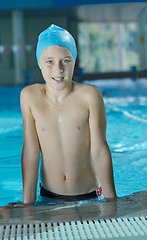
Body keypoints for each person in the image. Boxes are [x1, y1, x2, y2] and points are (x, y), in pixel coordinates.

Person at [20, 24, 117, 204]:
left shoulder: (90, 95)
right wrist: (28, 203)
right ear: (39, 63)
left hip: (88, 196)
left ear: (74, 61)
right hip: (48, 196)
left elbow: (99, 150)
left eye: (65, 60)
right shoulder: (30, 97)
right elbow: (31, 151)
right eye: (49, 61)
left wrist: (112, 201)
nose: (58, 69)